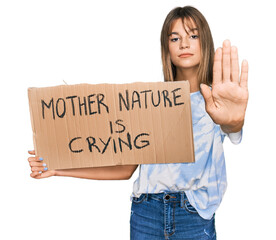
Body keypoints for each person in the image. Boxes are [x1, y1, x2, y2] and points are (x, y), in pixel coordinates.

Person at [28, 5, 248, 240]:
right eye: (175, 38)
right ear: (167, 48)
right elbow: (124, 169)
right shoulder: (150, 101)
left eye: (193, 35)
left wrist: (235, 120)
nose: (184, 43)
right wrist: (58, 168)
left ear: (205, 41)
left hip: (193, 215)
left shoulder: (220, 99)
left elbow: (232, 127)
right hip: (146, 214)